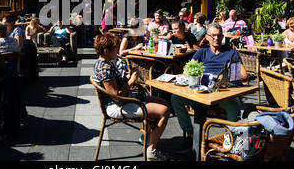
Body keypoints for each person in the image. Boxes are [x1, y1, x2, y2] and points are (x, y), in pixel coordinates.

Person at [171, 23, 248, 153]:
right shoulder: (202, 52)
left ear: (222, 36)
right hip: (201, 91)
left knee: (234, 104)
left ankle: (231, 139)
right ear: (206, 37)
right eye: (213, 36)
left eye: (219, 35)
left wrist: (224, 79)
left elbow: (244, 76)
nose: (216, 39)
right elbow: (188, 71)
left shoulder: (231, 53)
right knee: (175, 98)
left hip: (221, 92)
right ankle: (191, 135)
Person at [93, 33, 170, 161]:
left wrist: (129, 76)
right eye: (115, 49)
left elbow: (117, 85)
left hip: (125, 100)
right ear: (106, 51)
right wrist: (131, 81)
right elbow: (116, 96)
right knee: (164, 111)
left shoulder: (106, 62)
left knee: (163, 102)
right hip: (117, 106)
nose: (118, 51)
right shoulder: (104, 68)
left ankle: (147, 137)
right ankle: (151, 151)